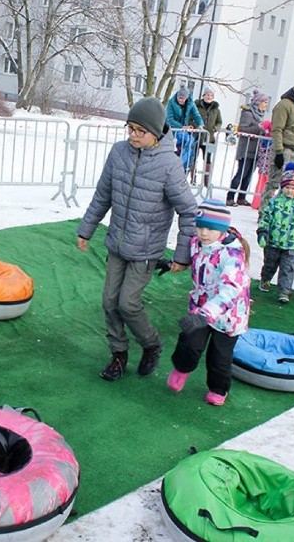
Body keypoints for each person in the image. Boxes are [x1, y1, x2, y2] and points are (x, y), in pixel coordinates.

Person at [78, 97, 199, 382]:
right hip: (118, 243)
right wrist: (87, 229)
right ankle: (118, 353)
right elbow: (103, 194)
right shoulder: (118, 153)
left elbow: (189, 211)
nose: (133, 135)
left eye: (139, 131)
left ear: (155, 133)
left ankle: (151, 344)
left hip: (146, 249)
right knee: (109, 301)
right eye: (130, 128)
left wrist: (182, 256)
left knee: (127, 303)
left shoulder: (169, 165)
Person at [165, 200, 251, 406]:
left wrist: (207, 314)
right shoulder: (196, 243)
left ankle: (218, 388)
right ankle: (182, 368)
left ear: (221, 230)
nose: (203, 233)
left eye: (210, 229)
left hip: (229, 314)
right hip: (200, 304)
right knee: (189, 342)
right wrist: (173, 263)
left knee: (220, 356)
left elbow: (230, 289)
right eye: (200, 226)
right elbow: (194, 262)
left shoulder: (233, 254)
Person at [256, 171, 294, 303]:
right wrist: (262, 231)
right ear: (282, 188)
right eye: (287, 187)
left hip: (291, 243)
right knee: (270, 264)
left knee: (287, 268)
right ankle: (265, 279)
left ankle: (285, 291)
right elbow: (265, 218)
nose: (289, 191)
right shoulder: (274, 202)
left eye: (293, 188)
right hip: (273, 241)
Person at [260, 78, 294, 213]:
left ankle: (279, 211)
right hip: (283, 148)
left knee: (289, 183)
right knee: (274, 182)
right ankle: (265, 211)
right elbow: (277, 129)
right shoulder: (284, 105)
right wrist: (278, 152)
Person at [227, 90, 269, 206]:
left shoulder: (260, 115)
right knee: (241, 173)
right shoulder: (248, 113)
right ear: (258, 102)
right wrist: (258, 128)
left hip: (256, 149)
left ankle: (242, 197)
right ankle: (230, 197)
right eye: (265, 102)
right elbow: (242, 129)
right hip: (246, 148)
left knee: (249, 175)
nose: (266, 105)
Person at [166, 86, 204, 177]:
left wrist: (200, 124)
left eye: (182, 98)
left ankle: (184, 167)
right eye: (179, 97)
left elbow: (196, 115)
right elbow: (170, 119)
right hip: (171, 129)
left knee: (189, 143)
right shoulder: (171, 102)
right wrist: (182, 126)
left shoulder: (190, 103)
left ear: (187, 98)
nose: (180, 100)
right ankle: (172, 169)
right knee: (174, 148)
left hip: (182, 130)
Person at [196, 88, 222, 187]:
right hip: (197, 136)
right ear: (203, 96)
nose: (209, 97)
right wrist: (195, 126)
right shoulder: (197, 106)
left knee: (207, 159)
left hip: (210, 138)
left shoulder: (216, 109)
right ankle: (192, 177)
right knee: (193, 157)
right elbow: (190, 118)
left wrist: (216, 128)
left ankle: (206, 180)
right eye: (207, 95)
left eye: (211, 95)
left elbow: (219, 121)